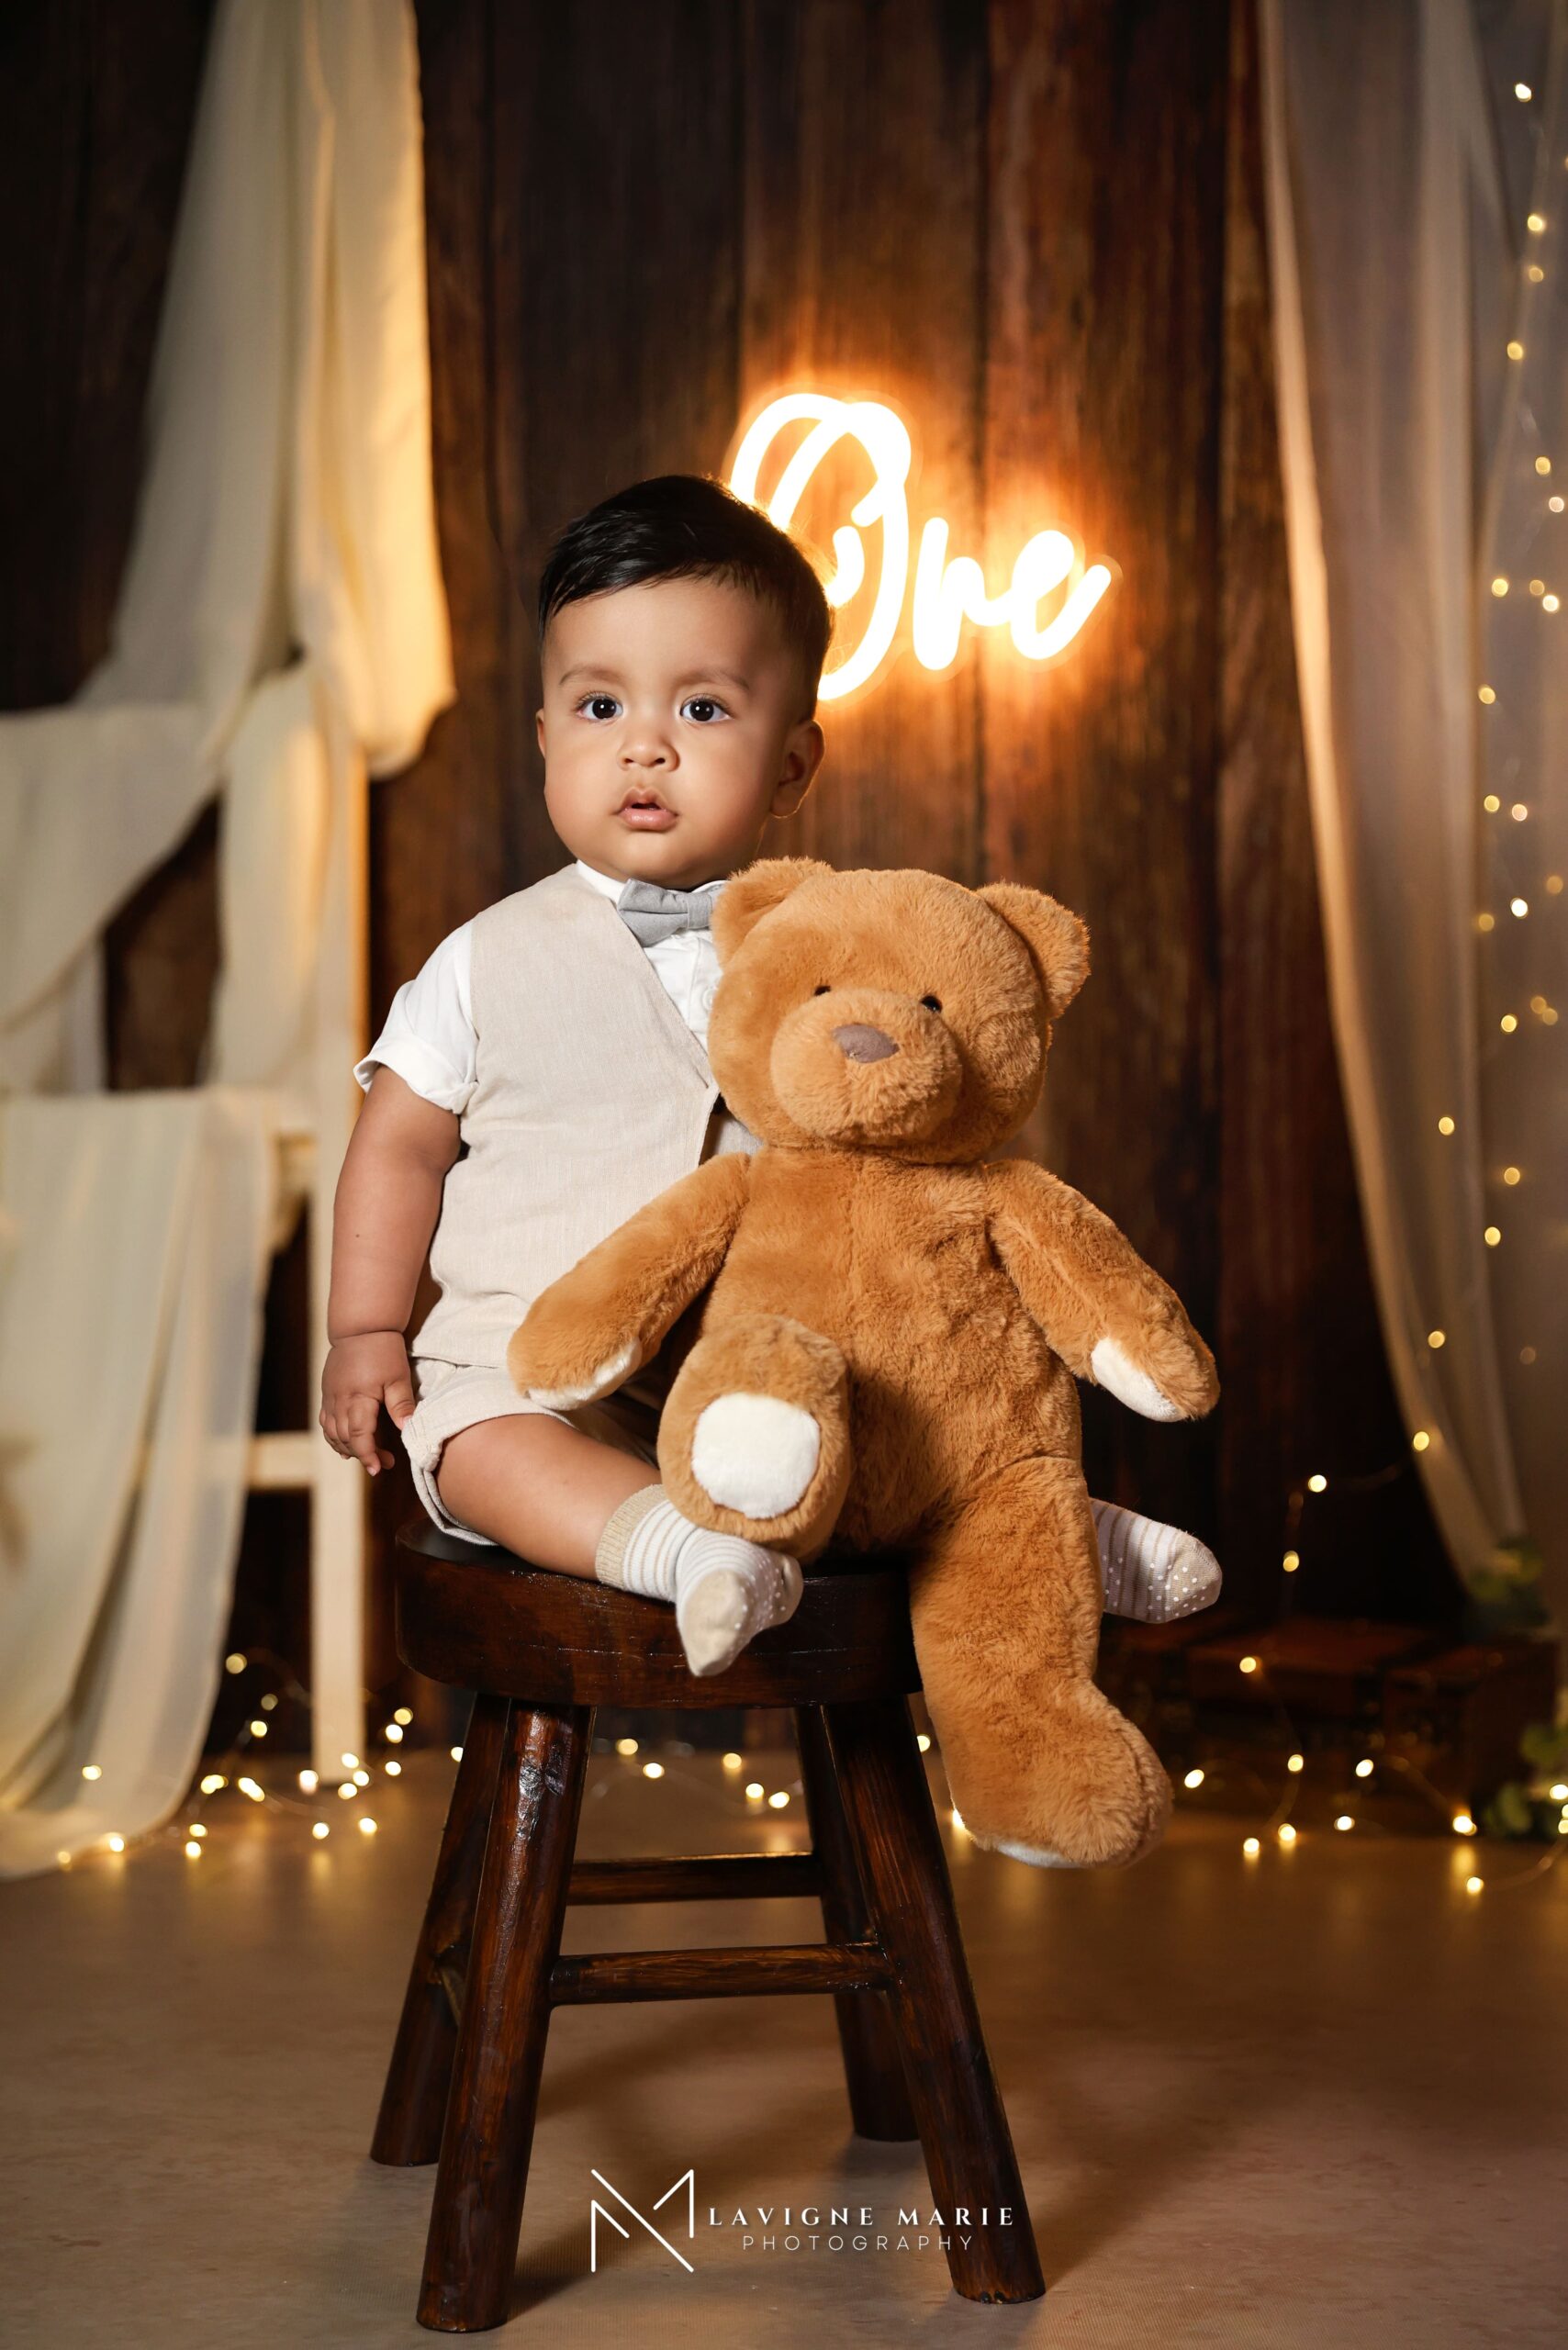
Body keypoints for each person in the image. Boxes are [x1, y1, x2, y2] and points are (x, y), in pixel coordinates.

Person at [319, 474, 1219, 1679]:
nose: (644, 744)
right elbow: (400, 1142)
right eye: (598, 705)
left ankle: (1027, 1518)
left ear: (792, 766)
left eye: (700, 707)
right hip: (534, 1357)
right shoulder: (484, 961)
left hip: (763, 1371)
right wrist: (368, 1327)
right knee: (480, 1445)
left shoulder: (831, 946)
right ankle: (675, 1550)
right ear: (544, 736)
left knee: (900, 1406)